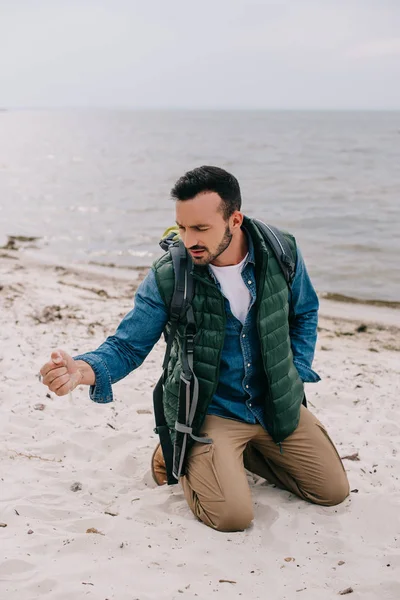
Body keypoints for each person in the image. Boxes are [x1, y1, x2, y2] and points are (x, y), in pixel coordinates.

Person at [40, 165, 350, 532]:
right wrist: (82, 370)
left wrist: (296, 369)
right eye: (183, 227)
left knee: (331, 492)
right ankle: (174, 451)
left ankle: (236, 457)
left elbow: (305, 312)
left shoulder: (281, 251)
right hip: (210, 409)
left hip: (274, 401)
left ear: (235, 219)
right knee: (233, 518)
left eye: (201, 228)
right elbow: (127, 346)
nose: (189, 240)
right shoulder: (169, 275)